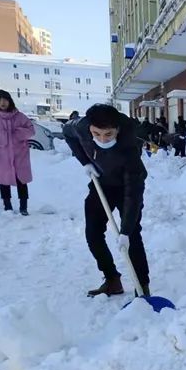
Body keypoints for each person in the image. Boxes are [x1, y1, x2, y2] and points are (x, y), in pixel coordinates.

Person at [63, 103, 152, 298]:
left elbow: (133, 195)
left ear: (117, 130)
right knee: (93, 232)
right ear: (90, 128)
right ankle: (112, 280)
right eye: (97, 134)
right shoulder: (81, 126)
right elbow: (67, 133)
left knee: (133, 236)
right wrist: (85, 162)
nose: (102, 139)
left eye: (108, 134)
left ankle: (142, 287)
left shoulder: (129, 148)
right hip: (101, 183)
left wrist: (125, 231)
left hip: (126, 186)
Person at [0, 89, 35, 216]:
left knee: (22, 181)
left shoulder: (19, 116)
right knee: (4, 182)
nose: (2, 102)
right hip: (1, 154)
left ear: (10, 101)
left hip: (20, 154)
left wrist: (18, 133)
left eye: (5, 99)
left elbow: (31, 130)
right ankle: (7, 206)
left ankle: (23, 207)